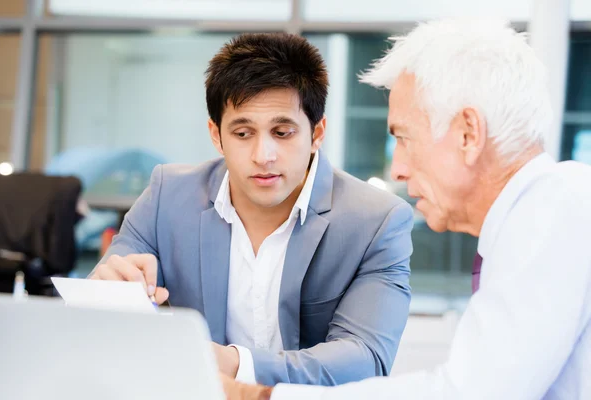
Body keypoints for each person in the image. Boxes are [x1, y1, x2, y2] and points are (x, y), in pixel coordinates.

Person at [221, 19, 591, 400]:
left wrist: (255, 396)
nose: (396, 168)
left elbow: (470, 394)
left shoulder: (552, 212)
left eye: (403, 137)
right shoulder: (547, 213)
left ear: (468, 134)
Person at [89, 33, 415, 387]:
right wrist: (107, 293)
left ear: (316, 133)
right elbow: (97, 314)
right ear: (217, 135)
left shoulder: (376, 221)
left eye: (282, 132)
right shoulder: (167, 196)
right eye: (243, 133)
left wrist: (233, 362)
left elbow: (365, 358)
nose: (263, 155)